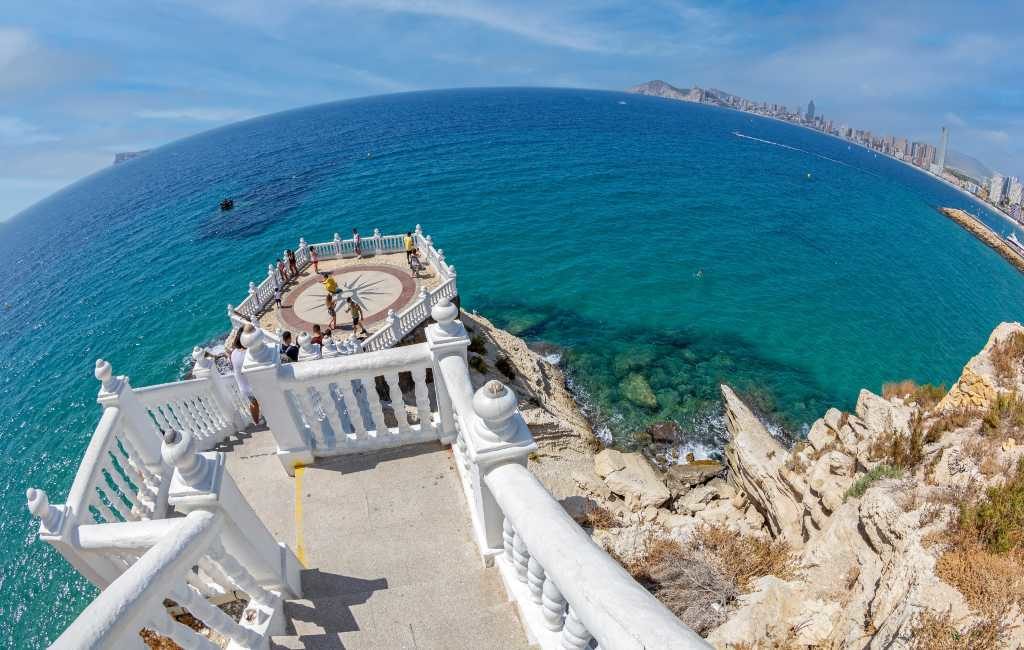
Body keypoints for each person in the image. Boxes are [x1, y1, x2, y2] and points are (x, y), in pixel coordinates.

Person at [230, 328, 261, 424]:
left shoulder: (234, 352)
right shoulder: (247, 354)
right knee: (259, 403)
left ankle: (256, 422)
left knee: (253, 404)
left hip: (243, 386)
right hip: (251, 387)